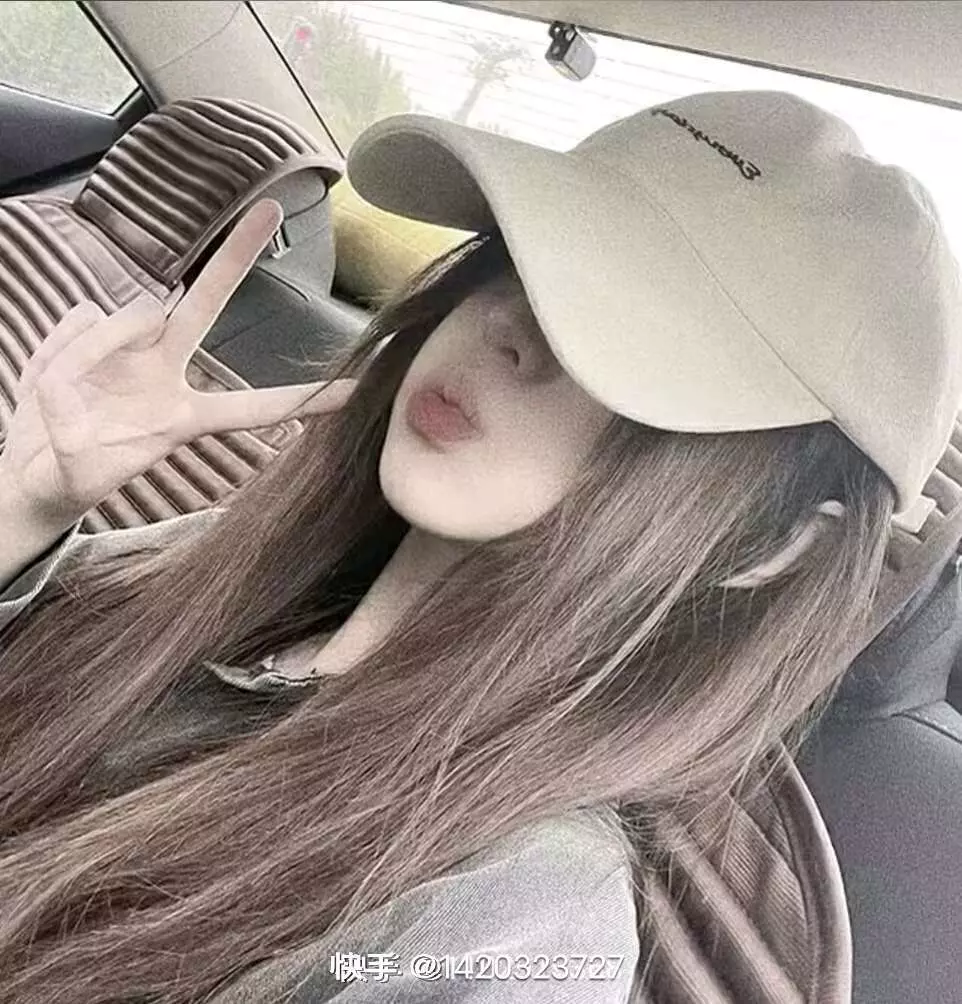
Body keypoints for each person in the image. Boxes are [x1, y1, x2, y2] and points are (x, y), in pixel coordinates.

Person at [0, 89, 958, 1004]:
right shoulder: (243, 569)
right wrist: (27, 506)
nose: (508, 326)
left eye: (636, 336)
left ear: (777, 544)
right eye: (525, 258)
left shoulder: (519, 923)